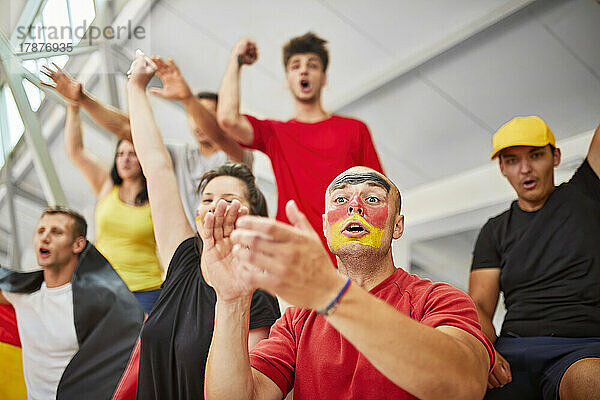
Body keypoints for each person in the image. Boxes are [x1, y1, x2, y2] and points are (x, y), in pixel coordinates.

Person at [203, 166, 494, 400]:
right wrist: (231, 300)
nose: (355, 206)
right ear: (326, 228)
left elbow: (464, 386)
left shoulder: (439, 299)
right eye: (340, 200)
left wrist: (332, 293)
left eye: (372, 199)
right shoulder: (295, 321)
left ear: (397, 226)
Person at [126, 52, 280, 399]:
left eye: (228, 200)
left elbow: (247, 391)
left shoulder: (256, 296)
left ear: (252, 217)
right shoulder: (181, 259)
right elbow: (157, 167)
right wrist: (136, 85)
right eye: (207, 199)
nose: (214, 208)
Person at [216, 32, 383, 259]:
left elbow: (379, 193)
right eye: (296, 66)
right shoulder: (276, 133)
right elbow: (227, 119)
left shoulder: (354, 129)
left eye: (312, 65)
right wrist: (236, 59)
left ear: (324, 78)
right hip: (290, 255)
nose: (304, 70)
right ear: (287, 79)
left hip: (346, 255)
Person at [469, 115, 600, 400]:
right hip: (513, 350)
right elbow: (479, 305)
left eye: (536, 155)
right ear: (502, 167)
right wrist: (483, 352)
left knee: (592, 383)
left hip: (582, 347)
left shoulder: (587, 193)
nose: (525, 169)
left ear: (556, 156)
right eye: (513, 160)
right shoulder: (494, 230)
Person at [41, 60, 251, 227]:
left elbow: (219, 136)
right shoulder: (180, 156)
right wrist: (83, 99)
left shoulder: (237, 152)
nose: (198, 120)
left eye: (205, 113)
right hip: (196, 251)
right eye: (193, 115)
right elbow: (129, 130)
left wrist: (188, 98)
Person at [0, 206, 144, 400]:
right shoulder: (20, 295)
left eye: (56, 232)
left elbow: (134, 345)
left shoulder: (97, 303)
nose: (45, 238)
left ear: (78, 245)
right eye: (41, 231)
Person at [53, 90, 162, 313]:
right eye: (120, 154)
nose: (125, 159)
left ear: (143, 158)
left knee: (140, 348)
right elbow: (76, 151)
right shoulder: (106, 186)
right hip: (101, 285)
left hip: (146, 289)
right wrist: (73, 107)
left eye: (132, 154)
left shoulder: (158, 193)